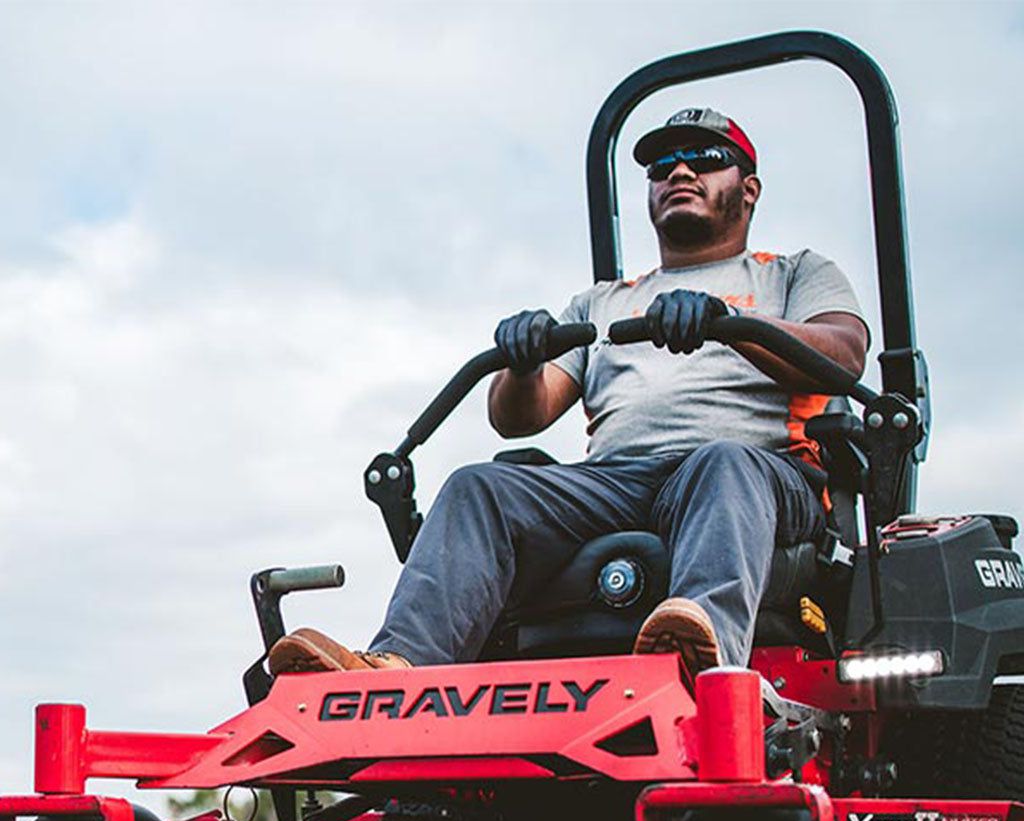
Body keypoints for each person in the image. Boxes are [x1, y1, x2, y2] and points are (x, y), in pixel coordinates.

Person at [269, 108, 869, 679]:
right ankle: (399, 666)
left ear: (749, 188)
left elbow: (843, 354)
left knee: (722, 464)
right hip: (615, 482)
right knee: (480, 487)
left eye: (705, 159)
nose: (680, 172)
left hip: (751, 473)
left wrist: (731, 325)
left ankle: (700, 650)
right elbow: (517, 417)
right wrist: (524, 364)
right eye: (662, 166)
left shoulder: (793, 274)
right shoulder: (601, 303)